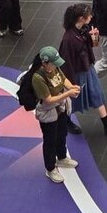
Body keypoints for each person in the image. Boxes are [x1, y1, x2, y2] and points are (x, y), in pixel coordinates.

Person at [58, 4, 107, 137]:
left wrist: (94, 37)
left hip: (87, 68)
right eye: (88, 15)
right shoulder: (68, 39)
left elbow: (93, 44)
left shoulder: (83, 30)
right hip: (77, 73)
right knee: (71, 100)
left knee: (97, 94)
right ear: (81, 18)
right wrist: (69, 83)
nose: (91, 17)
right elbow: (66, 62)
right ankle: (66, 121)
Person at [30, 47, 81, 184]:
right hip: (48, 112)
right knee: (50, 140)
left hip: (60, 108)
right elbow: (48, 100)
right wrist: (67, 94)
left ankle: (62, 157)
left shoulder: (54, 68)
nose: (56, 66)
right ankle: (50, 168)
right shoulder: (38, 78)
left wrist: (71, 87)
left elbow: (63, 80)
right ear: (45, 63)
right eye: (53, 63)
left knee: (62, 133)